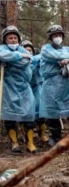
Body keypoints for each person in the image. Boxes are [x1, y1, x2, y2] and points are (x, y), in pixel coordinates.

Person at [40, 24, 69, 150]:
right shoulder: (46, 48)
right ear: (50, 37)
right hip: (52, 86)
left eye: (59, 35)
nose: (57, 37)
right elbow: (53, 56)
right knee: (53, 114)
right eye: (55, 35)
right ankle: (57, 140)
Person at [0, 25, 36, 153]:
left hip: (24, 87)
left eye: (15, 38)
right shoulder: (2, 48)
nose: (13, 40)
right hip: (8, 88)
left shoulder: (22, 50)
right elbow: (2, 55)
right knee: (10, 116)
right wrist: (19, 56)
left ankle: (30, 143)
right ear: (5, 40)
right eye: (10, 38)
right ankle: (14, 143)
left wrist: (11, 58)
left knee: (29, 114)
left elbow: (27, 61)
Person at [21, 40, 49, 143]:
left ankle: (42, 134)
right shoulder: (20, 62)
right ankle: (26, 136)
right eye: (26, 50)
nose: (28, 52)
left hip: (36, 89)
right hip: (23, 90)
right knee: (26, 113)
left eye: (30, 50)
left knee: (40, 111)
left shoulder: (37, 61)